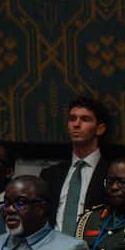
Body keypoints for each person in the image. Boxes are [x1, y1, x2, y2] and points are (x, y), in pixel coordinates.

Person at [40, 96, 111, 236]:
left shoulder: (112, 174)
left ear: (100, 129)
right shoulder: (50, 175)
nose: (76, 124)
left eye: (85, 119)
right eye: (72, 119)